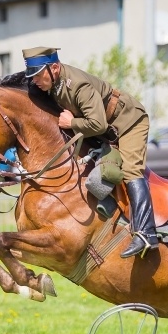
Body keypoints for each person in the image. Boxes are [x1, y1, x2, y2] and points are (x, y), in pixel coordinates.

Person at [22, 46, 157, 258]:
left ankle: (146, 233)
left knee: (131, 171)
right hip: (105, 129)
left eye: (38, 75)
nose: (35, 81)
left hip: (128, 122)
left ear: (54, 68)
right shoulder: (53, 83)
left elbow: (99, 124)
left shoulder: (77, 85)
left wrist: (71, 122)